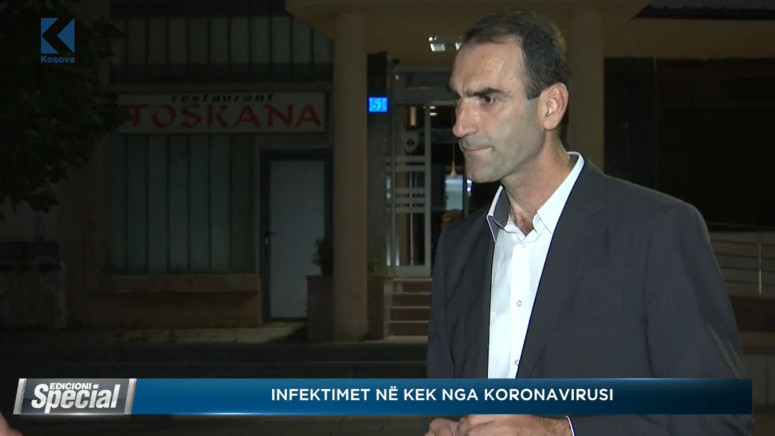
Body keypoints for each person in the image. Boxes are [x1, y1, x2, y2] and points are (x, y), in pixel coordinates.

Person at [424, 10, 752, 436]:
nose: (460, 125)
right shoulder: (458, 250)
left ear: (551, 107)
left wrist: (562, 431)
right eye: (459, 99)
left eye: (487, 99)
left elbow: (719, 418)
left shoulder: (658, 231)